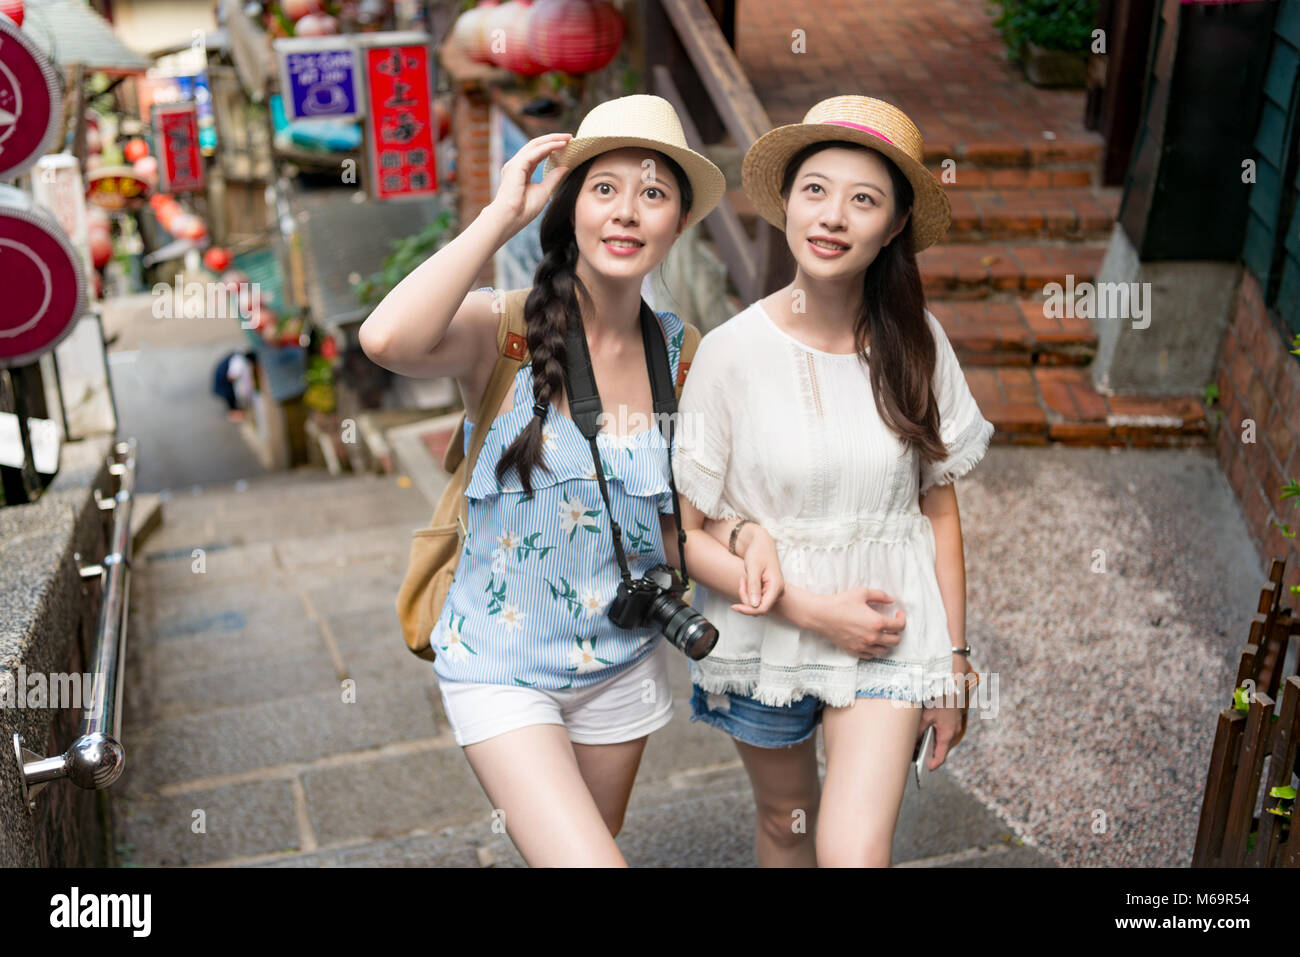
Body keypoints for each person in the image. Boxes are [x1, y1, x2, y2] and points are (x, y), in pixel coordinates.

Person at [359, 95, 782, 867]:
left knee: (590, 842)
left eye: (653, 192)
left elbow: (681, 518)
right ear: (572, 205)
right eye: (604, 188)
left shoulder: (682, 354)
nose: (627, 212)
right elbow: (385, 337)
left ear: (679, 220)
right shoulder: (506, 327)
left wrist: (747, 537)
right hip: (500, 665)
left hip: (620, 664)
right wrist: (498, 217)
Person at [670, 95, 995, 868]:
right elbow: (684, 536)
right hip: (767, 632)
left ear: (891, 229)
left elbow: (938, 509)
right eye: (816, 189)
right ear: (787, 202)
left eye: (864, 199)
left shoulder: (917, 343)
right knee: (788, 823)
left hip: (889, 631)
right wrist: (815, 612)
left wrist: (952, 658)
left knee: (854, 851)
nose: (833, 216)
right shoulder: (729, 353)